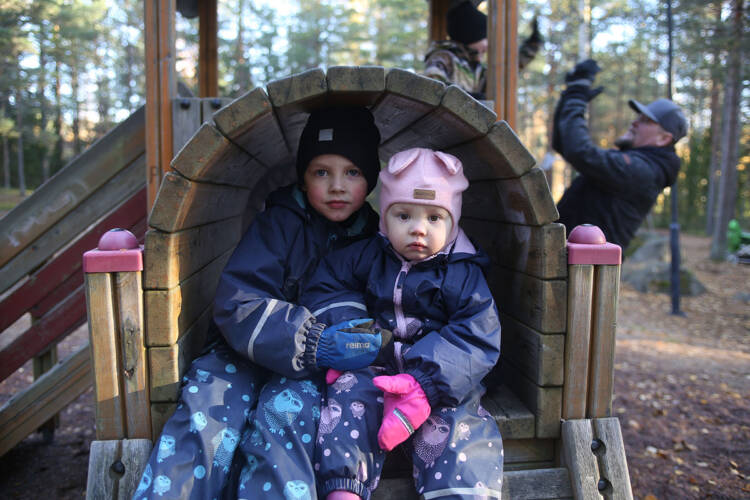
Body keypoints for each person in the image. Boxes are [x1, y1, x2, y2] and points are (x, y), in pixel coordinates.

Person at [132, 107, 389, 500]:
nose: (337, 186)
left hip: (309, 372)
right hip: (242, 351)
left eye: (352, 172)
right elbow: (239, 301)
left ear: (370, 179)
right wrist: (312, 341)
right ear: (302, 177)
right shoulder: (278, 224)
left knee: (285, 415)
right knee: (207, 411)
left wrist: (367, 342)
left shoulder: (375, 240)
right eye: (322, 172)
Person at [301, 148, 504, 500]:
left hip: (438, 379)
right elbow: (327, 286)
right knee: (347, 401)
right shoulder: (368, 255)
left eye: (434, 219)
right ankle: (344, 488)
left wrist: (425, 383)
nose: (418, 230)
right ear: (384, 219)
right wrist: (354, 337)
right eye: (404, 215)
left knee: (457, 426)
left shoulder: (462, 273)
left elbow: (478, 334)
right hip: (375, 365)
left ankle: (457, 494)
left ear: (453, 222)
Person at [553, 59, 688, 251]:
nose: (634, 122)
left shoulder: (643, 171)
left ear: (663, 139)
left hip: (588, 275)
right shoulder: (638, 164)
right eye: (637, 117)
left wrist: (576, 95)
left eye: (645, 121)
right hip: (573, 264)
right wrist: (571, 94)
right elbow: (563, 144)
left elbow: (580, 152)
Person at [423, 0, 543, 100]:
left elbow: (507, 72)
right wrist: (471, 98)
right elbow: (432, 89)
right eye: (485, 38)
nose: (488, 45)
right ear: (470, 35)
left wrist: (532, 46)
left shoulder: (476, 68)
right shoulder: (444, 57)